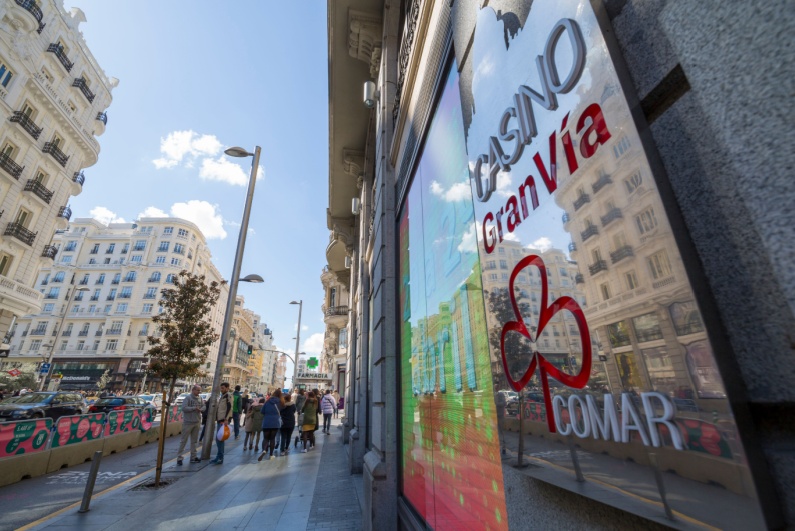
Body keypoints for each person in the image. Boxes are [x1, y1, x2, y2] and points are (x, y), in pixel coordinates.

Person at [176, 385, 203, 465]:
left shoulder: (200, 398)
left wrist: (201, 409)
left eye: (199, 391)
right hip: (188, 422)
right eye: (198, 390)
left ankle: (193, 457)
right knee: (183, 440)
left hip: (196, 421)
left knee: (194, 441)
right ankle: (179, 457)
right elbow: (184, 408)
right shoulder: (188, 398)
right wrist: (193, 408)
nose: (199, 392)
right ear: (193, 390)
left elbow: (203, 406)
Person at [211, 382, 233, 465]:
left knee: (219, 439)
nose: (221, 389)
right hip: (220, 419)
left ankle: (220, 458)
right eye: (221, 388)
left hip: (223, 420)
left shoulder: (228, 396)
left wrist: (226, 419)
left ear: (227, 388)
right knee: (219, 439)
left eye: (223, 388)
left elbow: (229, 407)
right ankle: (219, 457)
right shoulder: (223, 396)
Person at [258, 390, 283, 461]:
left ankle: (264, 450)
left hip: (266, 421)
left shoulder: (267, 401)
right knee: (272, 438)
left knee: (265, 438)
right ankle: (271, 455)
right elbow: (283, 409)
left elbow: (262, 411)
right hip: (275, 422)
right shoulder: (280, 402)